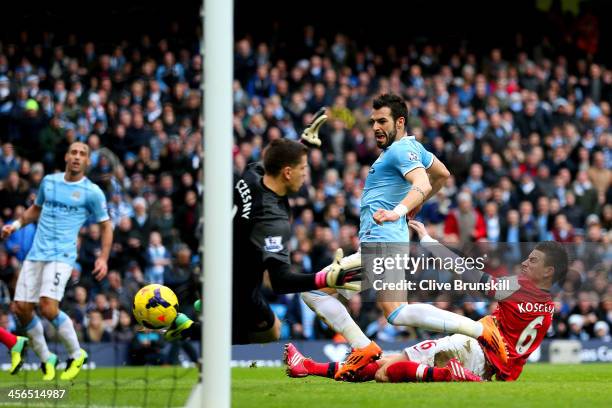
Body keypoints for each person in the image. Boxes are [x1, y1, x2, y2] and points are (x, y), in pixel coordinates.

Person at [298, 94, 506, 380]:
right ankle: (480, 330)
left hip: (382, 242)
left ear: (400, 121)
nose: (375, 127)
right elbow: (442, 175)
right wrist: (416, 203)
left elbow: (422, 181)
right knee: (396, 313)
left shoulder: (399, 151)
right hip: (387, 243)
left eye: (382, 121)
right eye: (372, 122)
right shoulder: (411, 148)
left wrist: (399, 210)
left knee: (314, 291)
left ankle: (364, 348)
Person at [164, 110, 361, 344]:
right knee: (267, 334)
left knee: (273, 329)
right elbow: (281, 282)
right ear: (287, 173)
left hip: (215, 263)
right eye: (303, 169)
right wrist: (326, 278)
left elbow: (274, 160)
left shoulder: (252, 173)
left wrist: (302, 143)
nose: (306, 175)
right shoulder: (272, 221)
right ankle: (188, 328)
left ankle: (209, 303)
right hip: (237, 287)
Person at [285, 225, 569, 383]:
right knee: (381, 363)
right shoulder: (546, 308)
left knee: (386, 373)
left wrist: (430, 242)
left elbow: (467, 272)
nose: (524, 262)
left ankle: (452, 375)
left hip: (472, 348)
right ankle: (307, 366)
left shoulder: (519, 288)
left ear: (548, 272)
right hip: (489, 365)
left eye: (533, 260)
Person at [1, 142, 113, 381]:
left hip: (62, 256)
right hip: (35, 253)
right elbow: (35, 209)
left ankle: (76, 353)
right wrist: (16, 225)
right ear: (66, 156)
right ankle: (47, 358)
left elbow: (106, 226)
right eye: (74, 152)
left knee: (48, 306)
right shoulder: (49, 182)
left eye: (82, 154)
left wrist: (103, 258)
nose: (77, 157)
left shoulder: (92, 192)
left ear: (87, 162)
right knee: (21, 308)